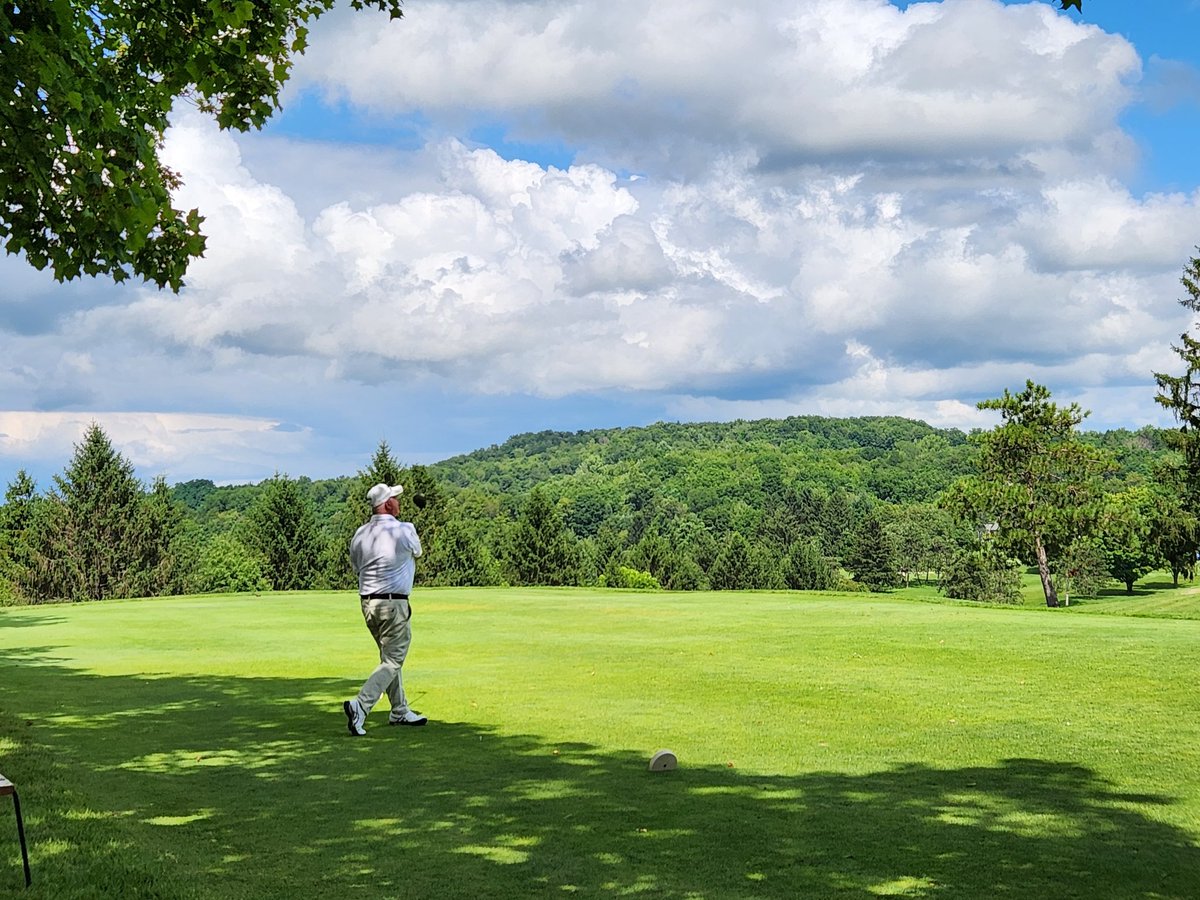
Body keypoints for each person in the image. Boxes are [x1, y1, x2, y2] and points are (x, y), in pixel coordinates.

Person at [343, 482, 427, 735]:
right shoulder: (404, 530)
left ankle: (399, 711)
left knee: (387, 658)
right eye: (395, 499)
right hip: (394, 603)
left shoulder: (360, 534)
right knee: (392, 660)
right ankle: (361, 705)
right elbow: (418, 552)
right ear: (388, 504)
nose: (399, 502)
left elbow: (357, 567)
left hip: (368, 605)